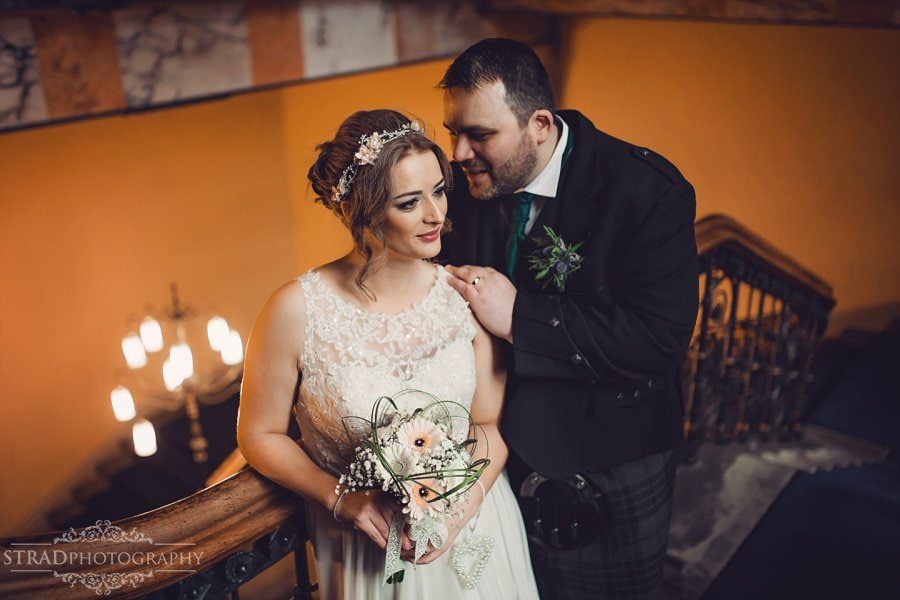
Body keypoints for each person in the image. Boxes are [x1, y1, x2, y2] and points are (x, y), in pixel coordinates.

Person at [236, 109, 539, 599]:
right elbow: (259, 434)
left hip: (477, 529)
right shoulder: (295, 310)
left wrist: (458, 511)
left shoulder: (464, 295)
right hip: (367, 547)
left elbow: (489, 423)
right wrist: (344, 500)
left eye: (439, 191)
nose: (436, 214)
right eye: (409, 202)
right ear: (364, 211)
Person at [438, 39, 700, 599]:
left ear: (538, 124)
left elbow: (657, 340)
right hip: (496, 457)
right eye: (452, 133)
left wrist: (519, 318)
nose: (458, 154)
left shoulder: (646, 192)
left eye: (479, 135)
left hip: (609, 455)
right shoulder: (466, 183)